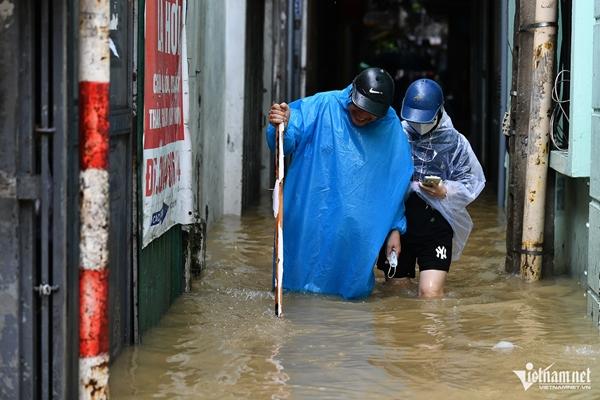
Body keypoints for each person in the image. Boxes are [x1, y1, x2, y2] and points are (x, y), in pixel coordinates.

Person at [266, 68, 413, 299]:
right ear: (352, 94)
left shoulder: (389, 126)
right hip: (310, 223)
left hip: (355, 239)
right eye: (360, 109)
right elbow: (287, 140)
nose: (363, 117)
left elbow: (395, 182)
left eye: (371, 114)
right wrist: (282, 124)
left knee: (350, 307)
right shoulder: (322, 105)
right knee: (297, 292)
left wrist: (395, 228)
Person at [376, 78, 485, 298]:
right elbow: (381, 184)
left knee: (431, 294)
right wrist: (392, 230)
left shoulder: (456, 142)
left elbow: (472, 182)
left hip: (436, 226)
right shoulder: (395, 136)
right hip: (399, 225)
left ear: (439, 111)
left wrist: (445, 191)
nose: (419, 124)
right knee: (395, 294)